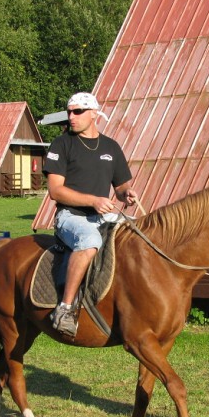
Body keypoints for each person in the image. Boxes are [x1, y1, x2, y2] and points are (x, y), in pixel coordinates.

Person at [43, 92, 138, 337]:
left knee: (141, 233)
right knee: (89, 241)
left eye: (78, 111)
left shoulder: (111, 146)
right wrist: (93, 201)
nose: (71, 116)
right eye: (69, 111)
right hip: (71, 218)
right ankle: (65, 309)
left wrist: (127, 193)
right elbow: (55, 191)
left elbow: (120, 187)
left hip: (103, 217)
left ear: (94, 114)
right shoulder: (61, 144)